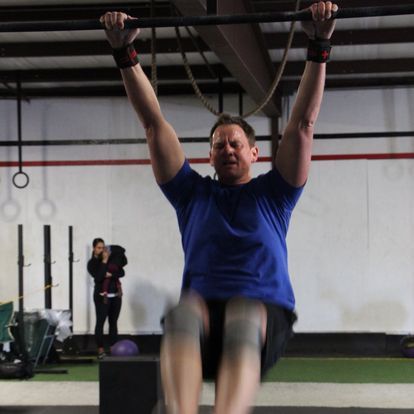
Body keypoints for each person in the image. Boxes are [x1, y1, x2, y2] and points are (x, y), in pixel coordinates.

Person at [101, 2, 337, 412]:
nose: (227, 149)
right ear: (208, 156)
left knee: (243, 315)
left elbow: (302, 124)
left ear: (255, 153)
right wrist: (125, 54)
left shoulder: (275, 194)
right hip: (202, 325)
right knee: (183, 313)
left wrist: (319, 43)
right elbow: (153, 123)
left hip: (263, 318)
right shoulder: (191, 194)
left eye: (235, 143)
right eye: (218, 145)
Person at [87, 238, 126, 359]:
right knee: (100, 322)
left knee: (113, 323)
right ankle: (100, 350)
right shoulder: (92, 263)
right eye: (99, 248)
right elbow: (99, 277)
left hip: (115, 296)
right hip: (101, 297)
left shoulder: (112, 260)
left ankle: (114, 348)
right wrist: (104, 260)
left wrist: (111, 274)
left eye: (103, 247)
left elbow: (121, 272)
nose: (101, 250)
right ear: (94, 248)